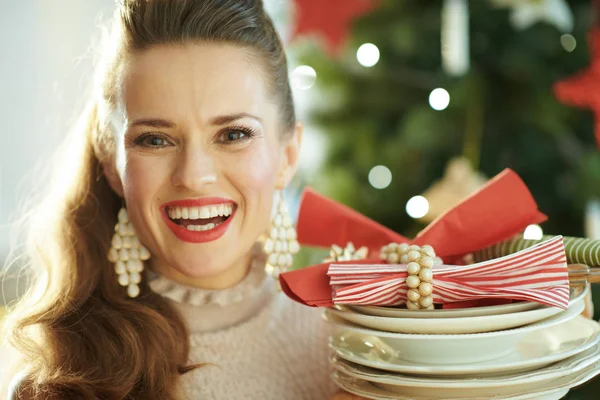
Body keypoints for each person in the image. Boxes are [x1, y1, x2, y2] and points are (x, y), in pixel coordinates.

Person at [0, 1, 366, 398]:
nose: (193, 177)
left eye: (233, 135)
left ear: (287, 156)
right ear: (111, 165)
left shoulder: (363, 351)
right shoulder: (58, 378)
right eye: (155, 140)